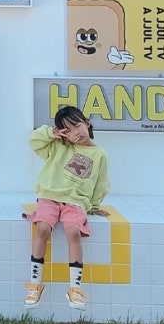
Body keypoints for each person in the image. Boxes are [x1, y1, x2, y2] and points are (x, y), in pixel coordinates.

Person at [23, 105, 109, 311]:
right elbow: (33, 141)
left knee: (73, 232)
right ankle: (35, 283)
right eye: (67, 130)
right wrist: (50, 133)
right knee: (42, 228)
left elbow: (101, 183)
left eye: (77, 125)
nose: (75, 133)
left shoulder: (99, 154)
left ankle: (75, 288)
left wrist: (94, 205)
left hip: (76, 201)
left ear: (87, 123)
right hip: (49, 196)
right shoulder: (57, 146)